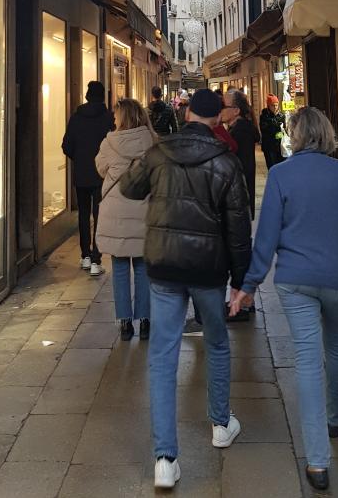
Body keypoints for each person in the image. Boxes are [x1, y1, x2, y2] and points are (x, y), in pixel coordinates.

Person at [230, 107, 338, 493]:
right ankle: (337, 415)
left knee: (308, 363)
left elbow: (266, 237)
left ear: (294, 136)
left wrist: (249, 284)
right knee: (337, 350)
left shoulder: (281, 175)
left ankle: (317, 462)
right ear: (326, 134)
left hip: (295, 281)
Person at [120, 88, 252, 491]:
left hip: (164, 264)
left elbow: (129, 187)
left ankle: (165, 458)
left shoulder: (160, 152)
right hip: (208, 269)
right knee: (217, 343)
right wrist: (241, 282)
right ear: (216, 119)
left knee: (163, 355)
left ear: (188, 113)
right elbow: (239, 228)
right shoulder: (226, 162)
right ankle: (220, 424)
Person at [96, 99, 156, 341]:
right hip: (144, 209)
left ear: (123, 117)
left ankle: (124, 323)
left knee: (120, 268)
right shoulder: (153, 141)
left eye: (116, 115)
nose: (113, 118)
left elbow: (101, 168)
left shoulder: (109, 142)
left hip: (116, 211)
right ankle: (145, 320)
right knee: (143, 268)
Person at [62, 80, 115, 276]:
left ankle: (85, 255)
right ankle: (96, 259)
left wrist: (79, 159)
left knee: (83, 214)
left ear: (87, 95)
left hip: (81, 174)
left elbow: (67, 145)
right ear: (102, 96)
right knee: (100, 215)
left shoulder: (76, 118)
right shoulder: (108, 118)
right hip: (102, 175)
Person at [224, 90, 261, 220]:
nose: (220, 110)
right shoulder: (237, 129)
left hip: (239, 199)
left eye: (224, 106)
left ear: (236, 111)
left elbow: (244, 167)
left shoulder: (241, 132)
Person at [260, 94, 286, 168]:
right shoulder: (264, 116)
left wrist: (280, 133)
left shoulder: (281, 116)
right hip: (269, 146)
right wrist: (275, 124)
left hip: (280, 146)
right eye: (272, 105)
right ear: (268, 106)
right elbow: (264, 129)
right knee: (272, 167)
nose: (275, 107)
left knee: (281, 167)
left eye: (276, 105)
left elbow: (284, 130)